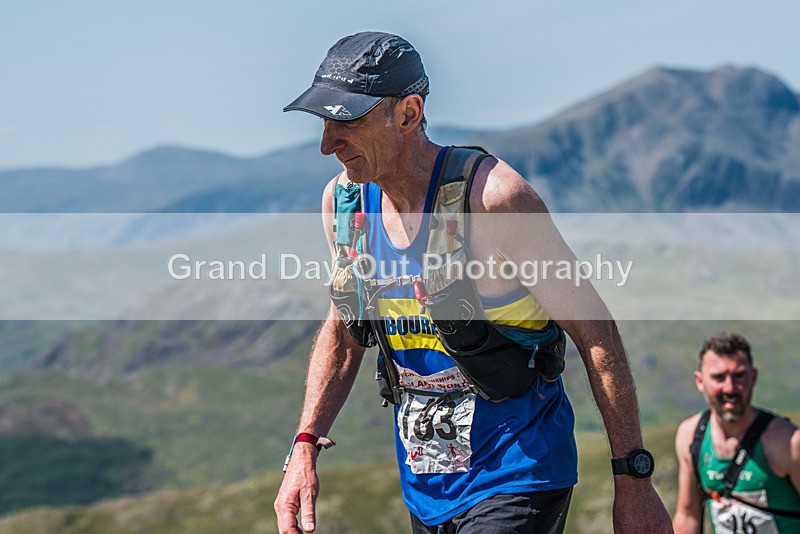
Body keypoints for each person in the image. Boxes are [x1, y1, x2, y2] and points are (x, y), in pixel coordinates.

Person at [274, 31, 672, 534]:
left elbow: (597, 334)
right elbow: (343, 329)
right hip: (427, 488)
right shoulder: (346, 206)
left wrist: (634, 482)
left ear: (409, 113)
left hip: (520, 469)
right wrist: (305, 445)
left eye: (347, 121)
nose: (328, 144)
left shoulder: (495, 200)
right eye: (326, 122)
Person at [673, 332, 800, 533]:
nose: (730, 388)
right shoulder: (690, 436)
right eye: (719, 377)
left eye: (739, 375)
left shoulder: (788, 442)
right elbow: (688, 516)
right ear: (700, 381)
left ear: (754, 377)